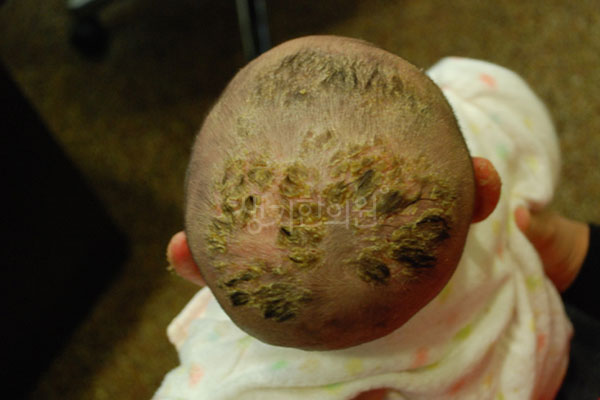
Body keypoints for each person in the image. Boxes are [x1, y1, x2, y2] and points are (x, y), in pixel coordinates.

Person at [154, 36, 572, 399]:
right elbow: (500, 96)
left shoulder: (233, 379)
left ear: (188, 262)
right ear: (486, 193)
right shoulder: (482, 134)